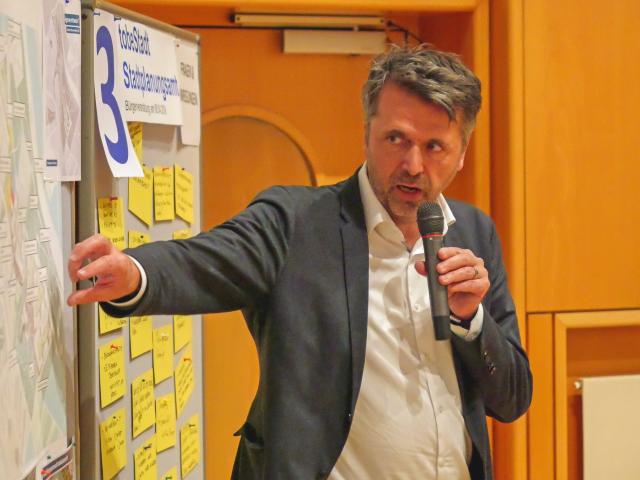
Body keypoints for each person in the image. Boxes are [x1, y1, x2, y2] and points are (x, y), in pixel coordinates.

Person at [68, 45, 532, 480]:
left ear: (462, 154)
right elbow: (205, 261)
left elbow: (511, 398)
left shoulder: (473, 233)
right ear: (366, 134)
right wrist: (134, 273)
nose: (413, 164)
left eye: (434, 147)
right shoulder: (296, 223)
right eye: (396, 138)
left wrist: (471, 321)